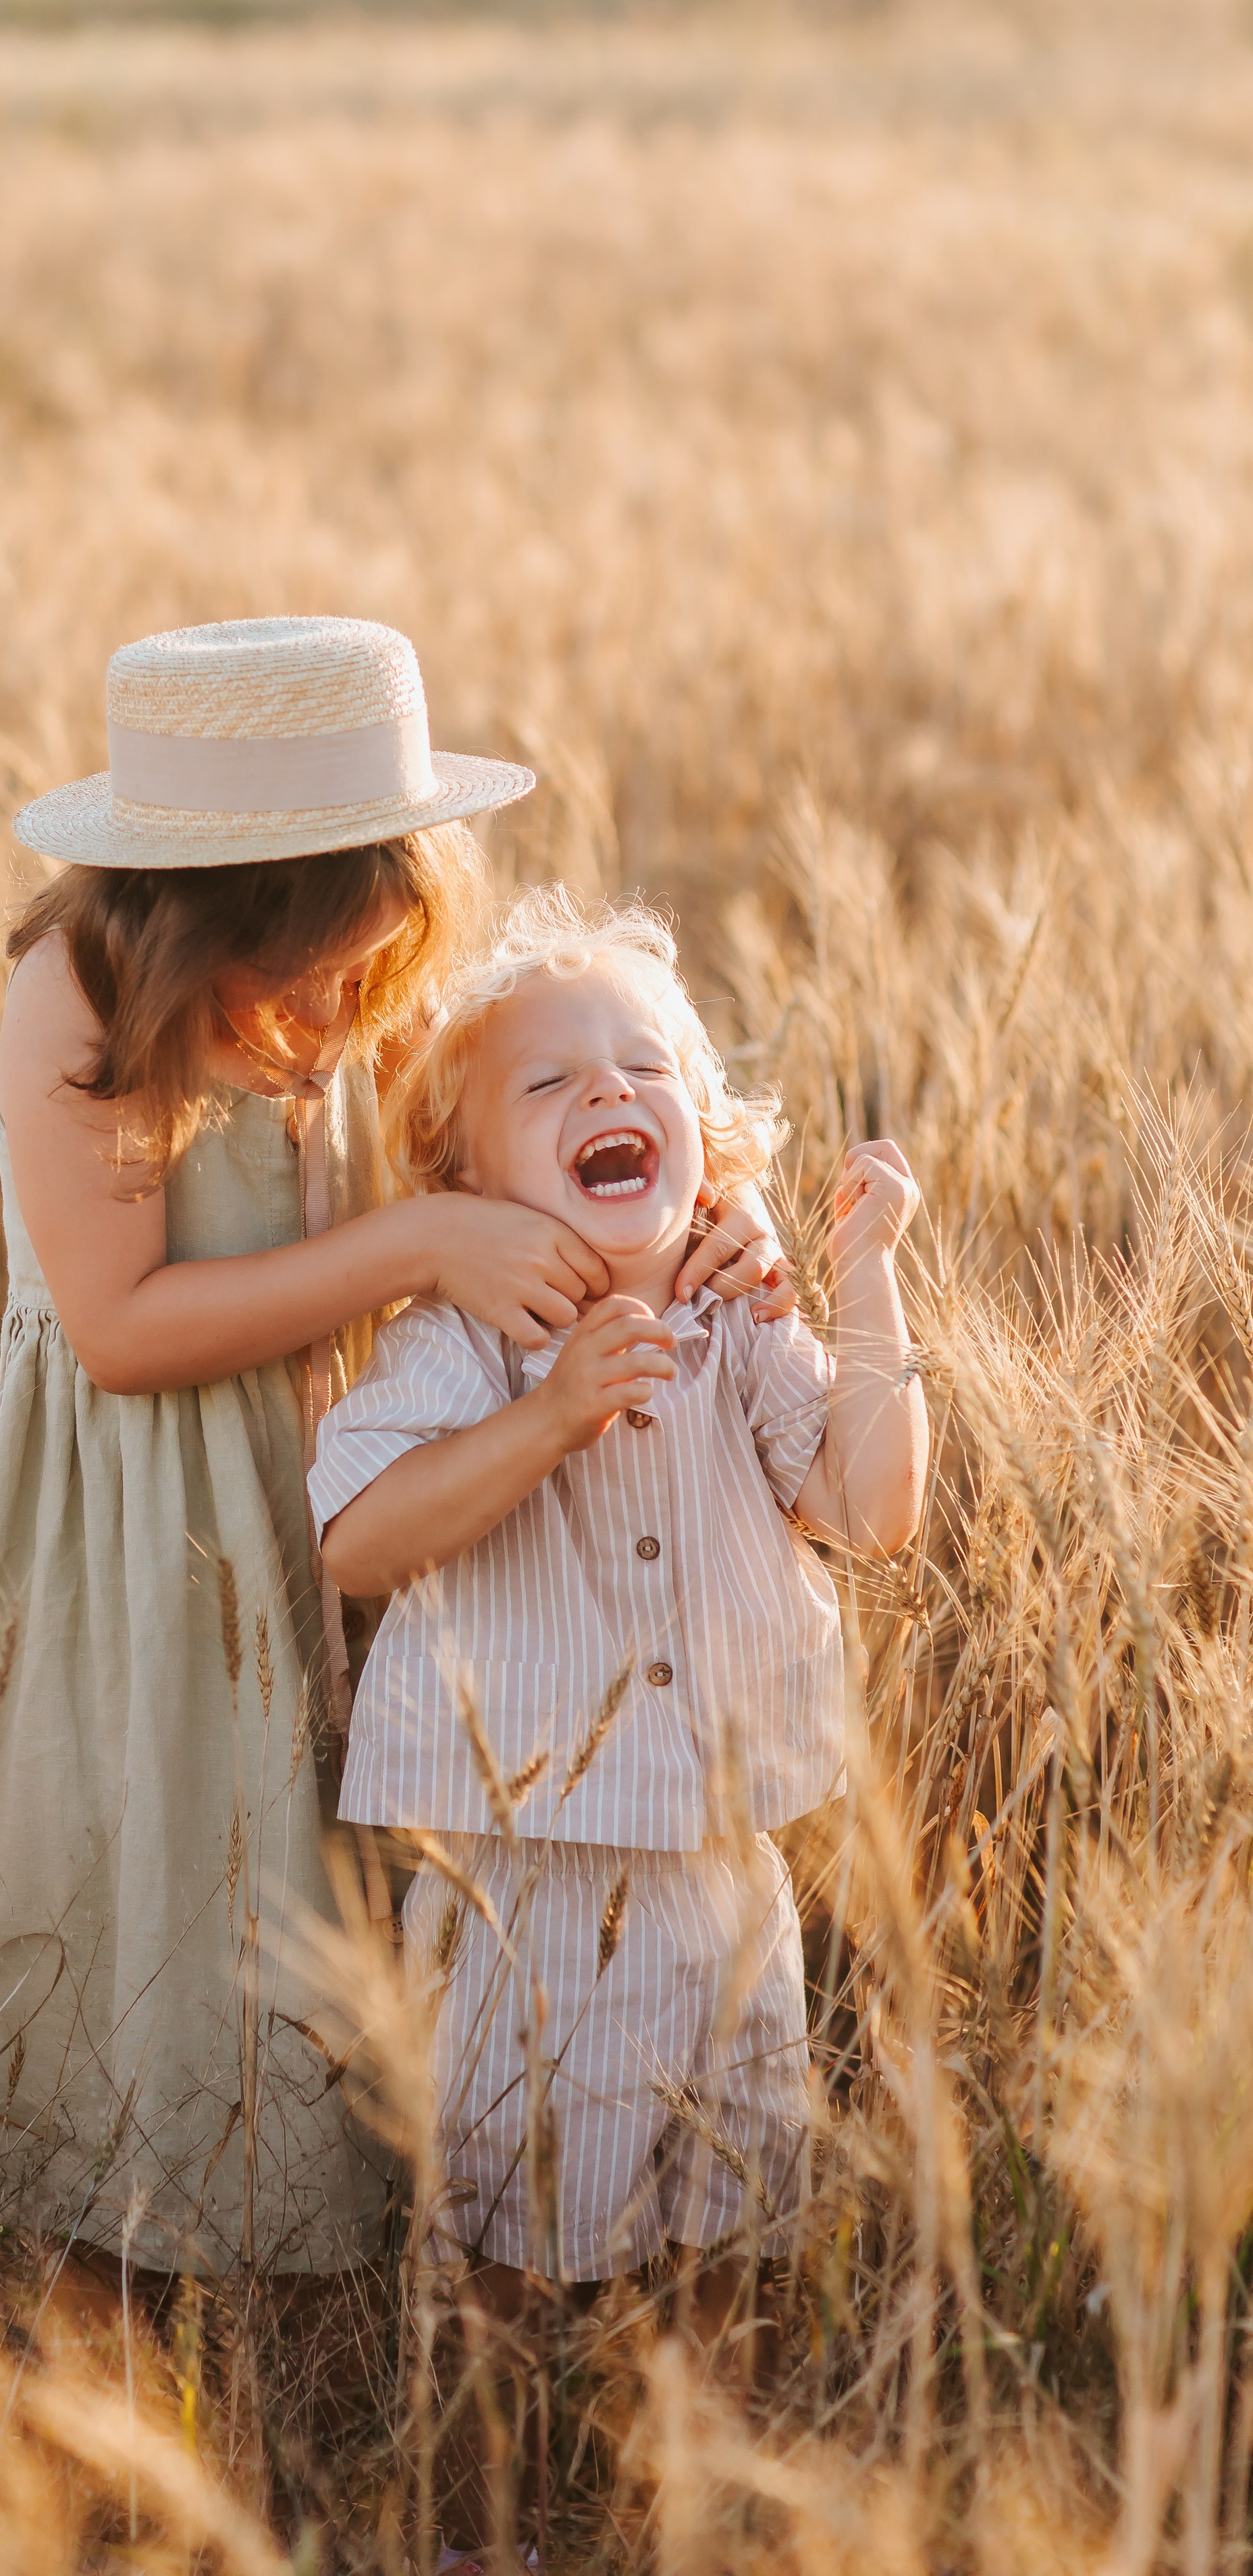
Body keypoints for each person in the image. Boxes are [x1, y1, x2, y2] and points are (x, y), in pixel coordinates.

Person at [0, 620, 793, 2295]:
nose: (344, 1023)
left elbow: (513, 1138)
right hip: (143, 1500)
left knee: (295, 1844)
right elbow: (119, 1329)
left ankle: (301, 2192)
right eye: (312, 983)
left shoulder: (350, 970)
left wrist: (720, 1213)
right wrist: (421, 1253)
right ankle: (129, 2230)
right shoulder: (84, 998)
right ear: (205, 919)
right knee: (164, 1829)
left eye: (373, 974)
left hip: (322, 1460)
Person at [309, 886, 927, 2546]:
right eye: (549, 1084)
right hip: (516, 1897)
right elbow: (361, 1537)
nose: (607, 1097)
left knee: (719, 2244)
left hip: (719, 1893)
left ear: (705, 1132)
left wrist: (857, 1288)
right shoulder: (463, 1344)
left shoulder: (747, 1325)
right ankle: (477, 2515)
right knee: (498, 2255)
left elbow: (870, 1507)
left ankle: (697, 2511)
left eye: (645, 1066)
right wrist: (551, 1418)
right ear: (463, 1185)